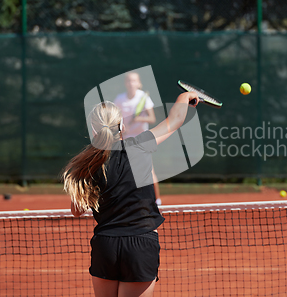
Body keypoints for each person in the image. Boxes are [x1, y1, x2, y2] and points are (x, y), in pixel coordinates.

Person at [62, 91, 198, 297]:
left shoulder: (87, 165)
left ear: (93, 130)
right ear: (121, 126)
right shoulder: (140, 146)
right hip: (140, 246)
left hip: (105, 246)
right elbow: (176, 119)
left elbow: (77, 210)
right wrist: (184, 97)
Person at [114, 72, 162, 205]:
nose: (131, 83)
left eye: (134, 81)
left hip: (142, 140)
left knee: (149, 171)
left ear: (139, 83)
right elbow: (115, 118)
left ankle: (157, 200)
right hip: (126, 139)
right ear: (125, 83)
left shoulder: (143, 98)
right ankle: (124, 201)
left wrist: (138, 118)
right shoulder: (119, 99)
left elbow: (152, 118)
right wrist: (122, 127)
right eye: (129, 81)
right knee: (124, 170)